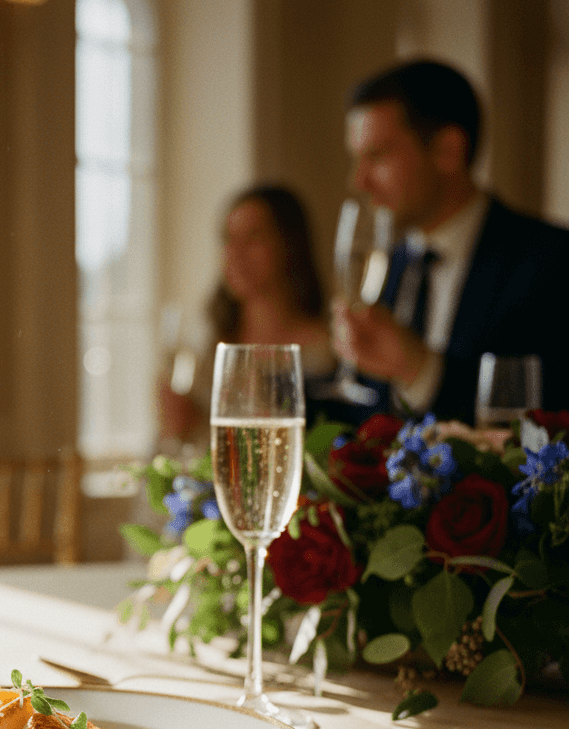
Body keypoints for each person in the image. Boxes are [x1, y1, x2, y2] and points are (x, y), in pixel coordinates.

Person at [336, 58, 569, 424]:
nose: (360, 182)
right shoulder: (390, 265)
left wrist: (421, 369)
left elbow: (548, 418)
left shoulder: (551, 262)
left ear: (448, 150)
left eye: (377, 156)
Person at [161, 184, 335, 447]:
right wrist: (180, 427)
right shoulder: (207, 353)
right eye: (228, 239)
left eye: (254, 237)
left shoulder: (330, 350)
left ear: (290, 244)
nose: (236, 252)